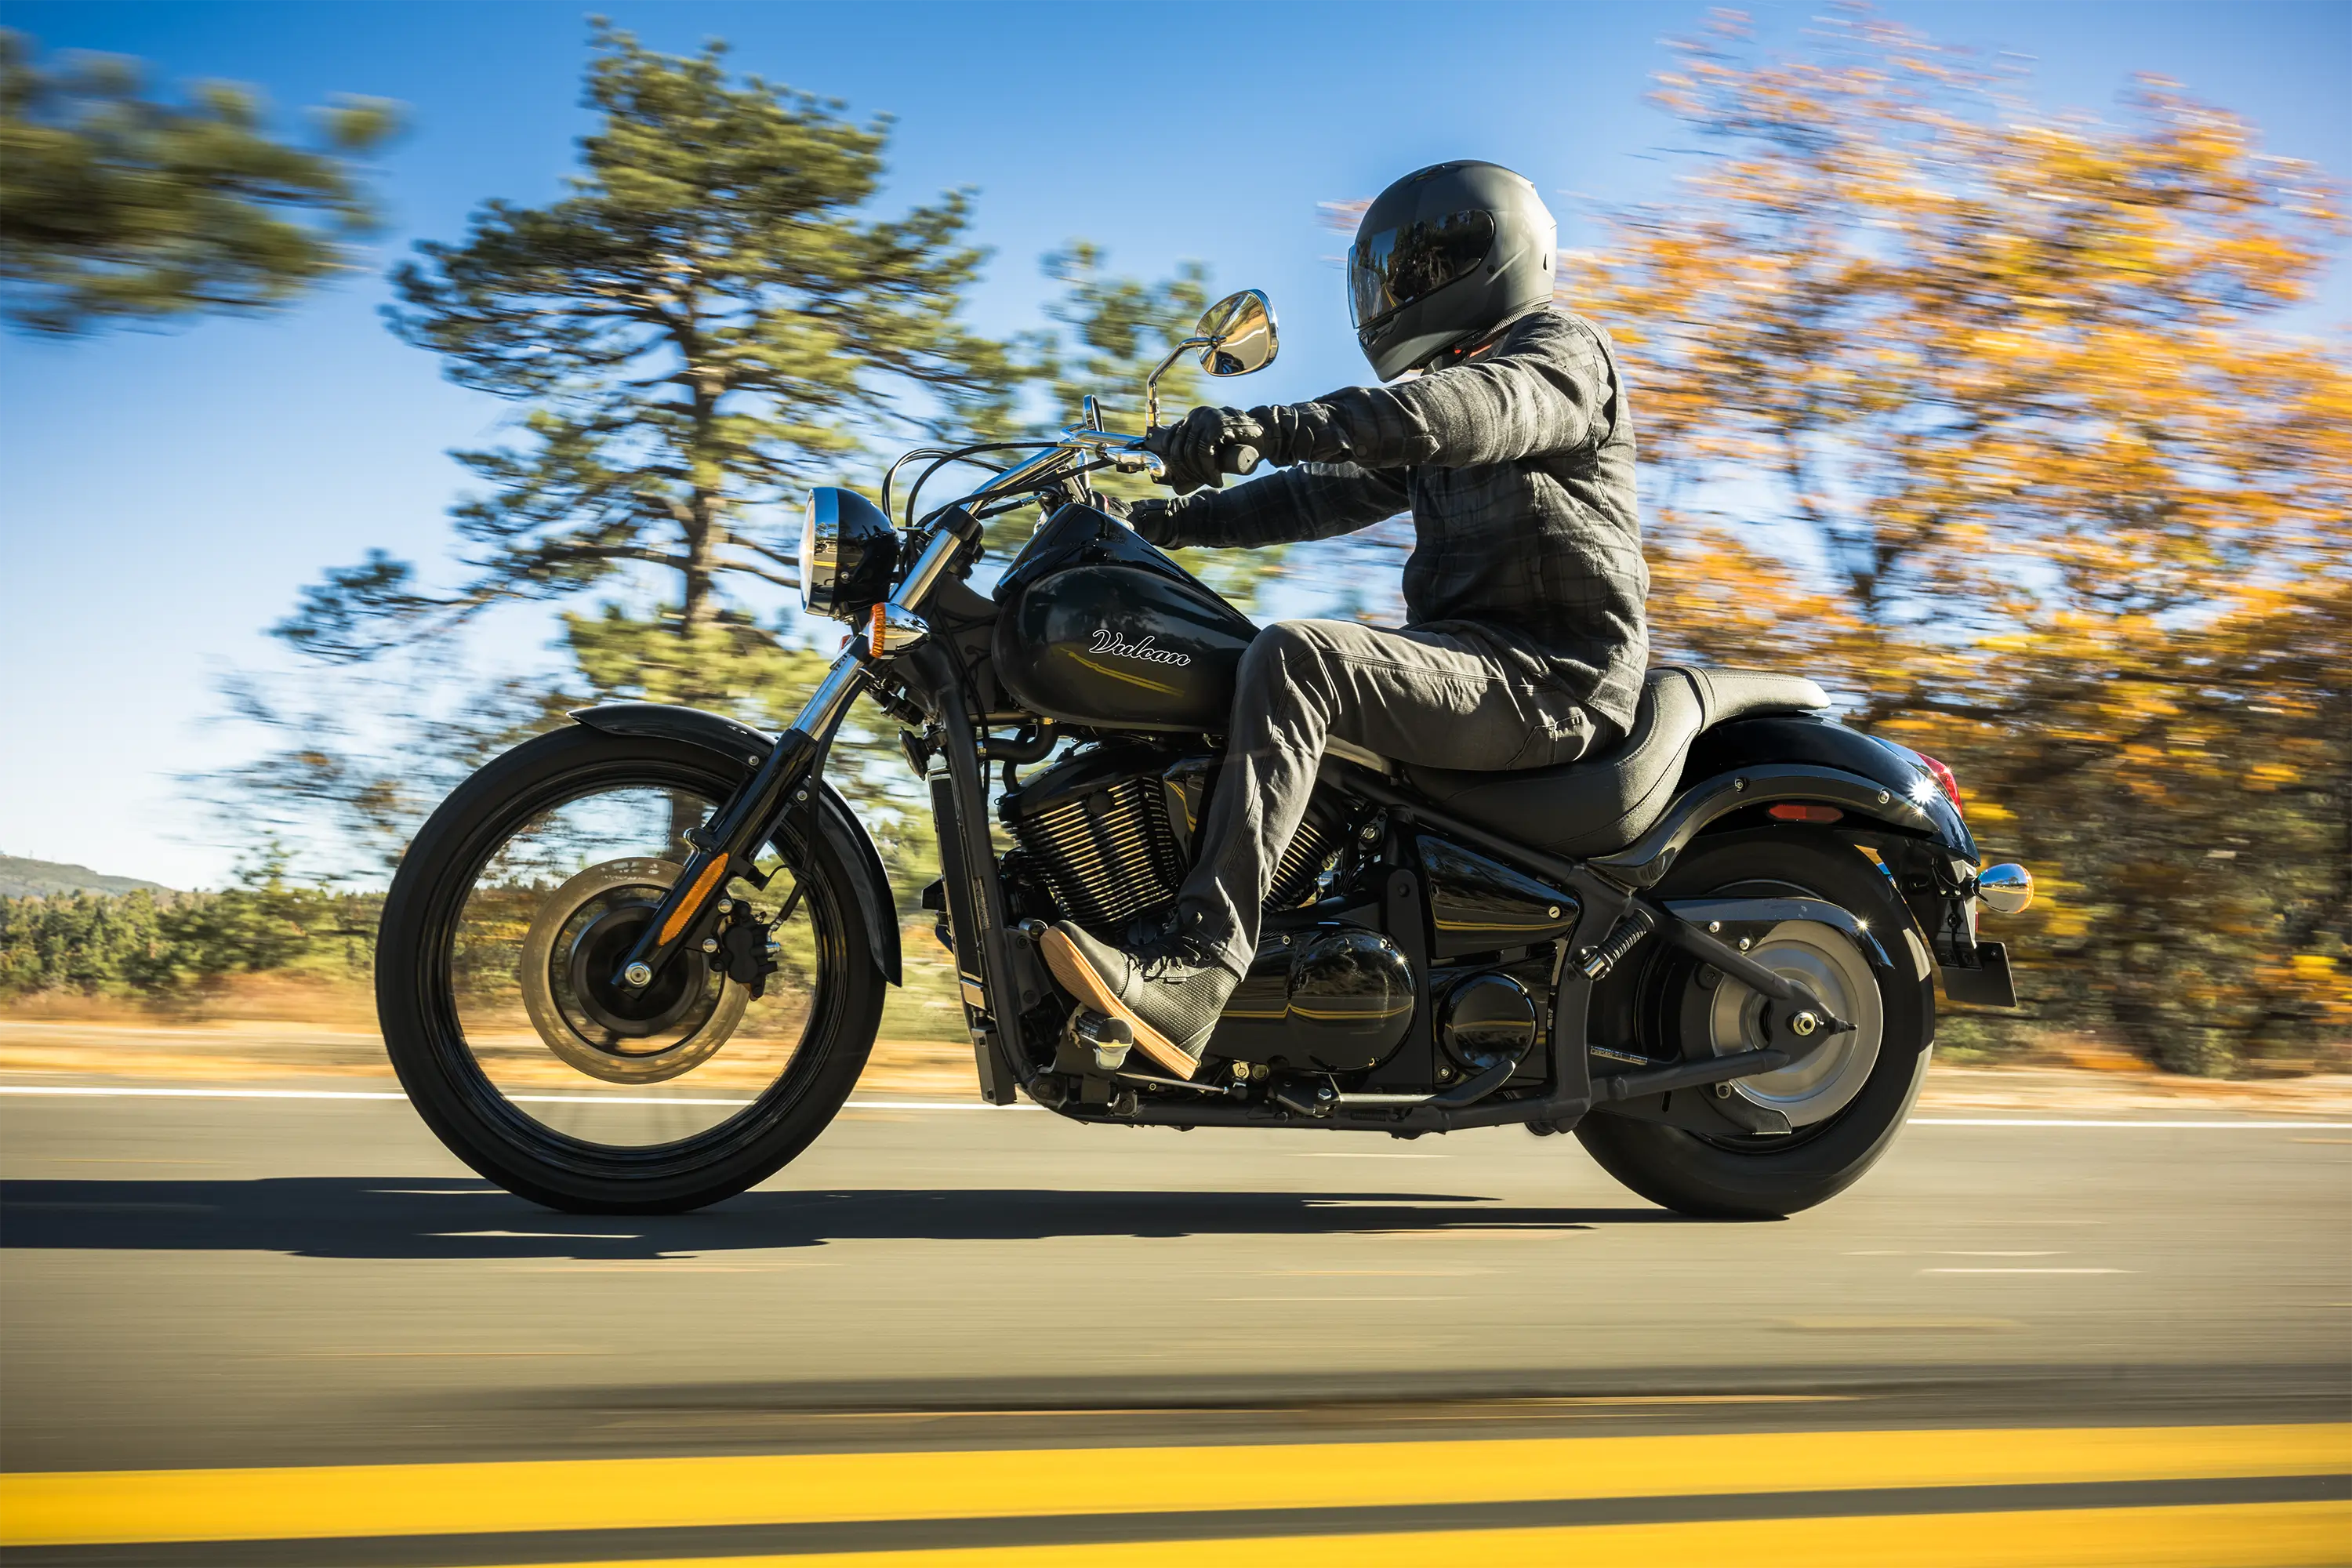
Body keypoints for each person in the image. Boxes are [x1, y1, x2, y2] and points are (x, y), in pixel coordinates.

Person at [1040, 159, 1650, 1079]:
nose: (1397, 292)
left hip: (1550, 677)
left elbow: (1470, 413)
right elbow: (1309, 501)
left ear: (1492, 252)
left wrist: (1273, 424)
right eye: (1389, 274)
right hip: (1471, 661)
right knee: (1225, 652)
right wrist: (1161, 523)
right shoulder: (1444, 396)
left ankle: (1200, 965)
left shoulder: (1556, 357)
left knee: (1298, 658)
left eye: (1419, 267)